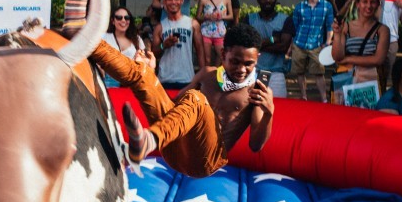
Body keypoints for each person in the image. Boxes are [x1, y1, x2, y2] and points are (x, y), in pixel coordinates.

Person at [91, 23, 273, 178]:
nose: (241, 69)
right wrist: (150, 74)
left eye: (248, 64)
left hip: (205, 162)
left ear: (257, 59)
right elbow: (174, 107)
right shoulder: (207, 75)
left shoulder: (257, 92)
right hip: (174, 149)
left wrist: (268, 113)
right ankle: (88, 41)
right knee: (143, 73)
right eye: (235, 62)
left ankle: (149, 140)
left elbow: (255, 146)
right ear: (224, 54)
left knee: (197, 98)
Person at [331, 0, 390, 94]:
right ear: (358, 4)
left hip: (371, 83)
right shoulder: (346, 27)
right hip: (347, 81)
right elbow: (337, 57)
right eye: (364, 2)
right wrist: (337, 34)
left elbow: (378, 59)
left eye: (372, 2)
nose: (368, 6)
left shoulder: (382, 30)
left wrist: (348, 59)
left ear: (378, 4)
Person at [243, 0, 294, 97]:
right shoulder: (249, 19)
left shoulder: (285, 20)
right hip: (253, 72)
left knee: (279, 106)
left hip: (276, 73)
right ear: (258, 0)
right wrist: (272, 39)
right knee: (251, 105)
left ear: (276, 0)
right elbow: (245, 45)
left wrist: (256, 46)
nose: (268, 0)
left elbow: (283, 47)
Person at [152, 0, 205, 90]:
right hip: (165, 80)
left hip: (187, 79)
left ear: (182, 1)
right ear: (164, 2)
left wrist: (203, 78)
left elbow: (200, 51)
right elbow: (153, 54)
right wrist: (164, 45)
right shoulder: (159, 27)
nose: (173, 2)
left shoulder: (192, 24)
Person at [291, 0, 334, 102]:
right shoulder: (299, 7)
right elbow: (294, 27)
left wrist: (328, 42)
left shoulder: (327, 6)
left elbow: (329, 26)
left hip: (316, 44)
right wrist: (291, 45)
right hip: (299, 43)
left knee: (319, 73)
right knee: (300, 72)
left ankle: (324, 99)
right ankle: (304, 96)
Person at [101, 7, 145, 87]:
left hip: (131, 81)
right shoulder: (104, 37)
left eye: (127, 18)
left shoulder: (137, 39)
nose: (123, 20)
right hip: (108, 80)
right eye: (119, 17)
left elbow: (143, 62)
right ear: (112, 21)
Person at [196, 0, 233, 67]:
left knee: (221, 56)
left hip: (220, 32)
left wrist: (222, 17)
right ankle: (208, 74)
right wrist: (207, 17)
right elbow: (198, 17)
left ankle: (216, 72)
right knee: (207, 59)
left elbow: (231, 16)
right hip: (206, 32)